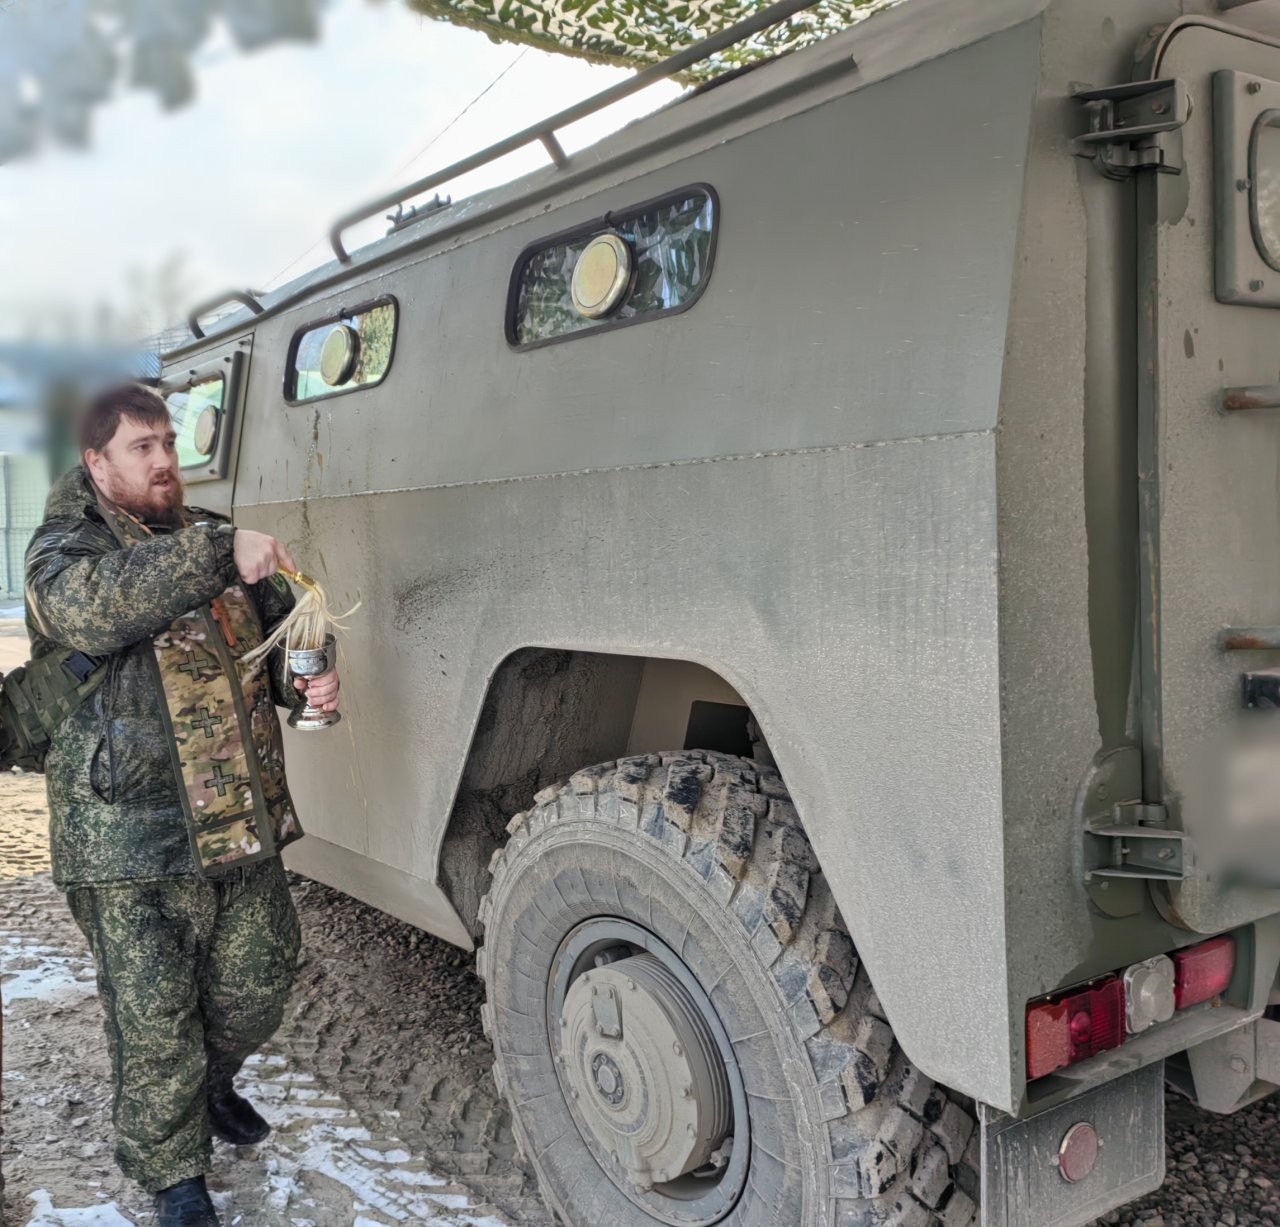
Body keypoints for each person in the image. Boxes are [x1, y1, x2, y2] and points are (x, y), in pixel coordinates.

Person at [24, 382, 339, 1227]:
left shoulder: (206, 535)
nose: (166, 460)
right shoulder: (64, 552)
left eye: (170, 442)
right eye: (143, 447)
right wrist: (220, 552)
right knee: (154, 1013)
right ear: (97, 462)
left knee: (260, 974)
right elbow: (97, 606)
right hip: (121, 832)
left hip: (235, 818)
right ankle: (174, 1177)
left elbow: (280, 632)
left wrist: (306, 670)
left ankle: (212, 1080)